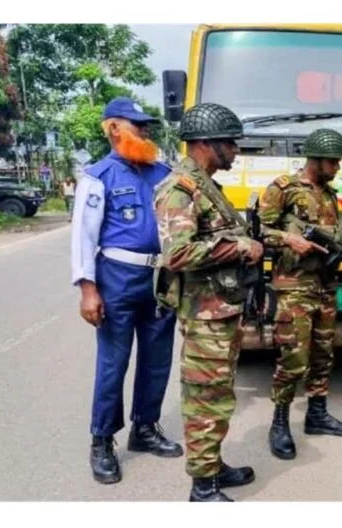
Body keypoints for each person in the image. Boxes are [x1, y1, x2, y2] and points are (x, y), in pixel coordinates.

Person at [153, 102, 263, 502]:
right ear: (204, 143)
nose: (235, 150)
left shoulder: (206, 186)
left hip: (220, 312)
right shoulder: (179, 189)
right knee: (205, 400)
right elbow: (177, 255)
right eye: (229, 143)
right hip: (204, 316)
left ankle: (213, 467)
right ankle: (201, 489)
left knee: (218, 396)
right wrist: (239, 246)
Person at [70, 97, 182, 486]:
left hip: (160, 279)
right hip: (117, 278)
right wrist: (88, 289)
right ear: (113, 128)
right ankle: (102, 440)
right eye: (136, 125)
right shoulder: (99, 176)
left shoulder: (163, 173)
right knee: (113, 363)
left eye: (146, 125)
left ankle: (145, 428)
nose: (145, 131)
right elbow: (83, 237)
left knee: (157, 360)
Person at [258, 128, 342, 461]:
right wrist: (287, 240)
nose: (337, 167)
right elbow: (259, 232)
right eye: (333, 161)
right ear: (315, 159)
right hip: (294, 286)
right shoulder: (283, 189)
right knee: (293, 359)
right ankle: (279, 423)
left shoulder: (331, 195)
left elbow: (341, 240)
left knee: (323, 355)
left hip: (325, 286)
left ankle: (317, 415)